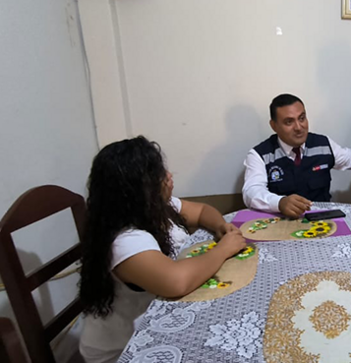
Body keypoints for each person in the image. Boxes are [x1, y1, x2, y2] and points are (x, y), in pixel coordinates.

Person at [78, 136, 247, 362]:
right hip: (124, 349)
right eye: (159, 175)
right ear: (137, 189)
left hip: (157, 318)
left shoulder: (155, 207)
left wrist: (220, 226)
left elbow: (202, 211)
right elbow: (176, 282)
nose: (169, 176)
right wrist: (223, 249)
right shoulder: (125, 240)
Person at [243, 93, 351, 218]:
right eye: (289, 122)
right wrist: (279, 203)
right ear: (274, 126)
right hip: (281, 224)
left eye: (302, 118)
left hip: (322, 222)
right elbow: (251, 192)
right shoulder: (260, 155)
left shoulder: (323, 144)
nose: (298, 127)